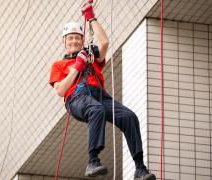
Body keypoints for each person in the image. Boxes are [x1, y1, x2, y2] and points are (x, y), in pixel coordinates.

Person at [49, 2, 156, 180]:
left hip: (100, 95)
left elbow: (104, 42)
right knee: (95, 110)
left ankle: (140, 168)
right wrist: (77, 65)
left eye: (77, 37)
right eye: (70, 38)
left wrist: (91, 17)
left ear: (82, 40)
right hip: (76, 99)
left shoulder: (91, 54)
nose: (74, 41)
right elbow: (60, 90)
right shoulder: (59, 65)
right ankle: (92, 161)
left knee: (129, 117)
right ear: (64, 42)